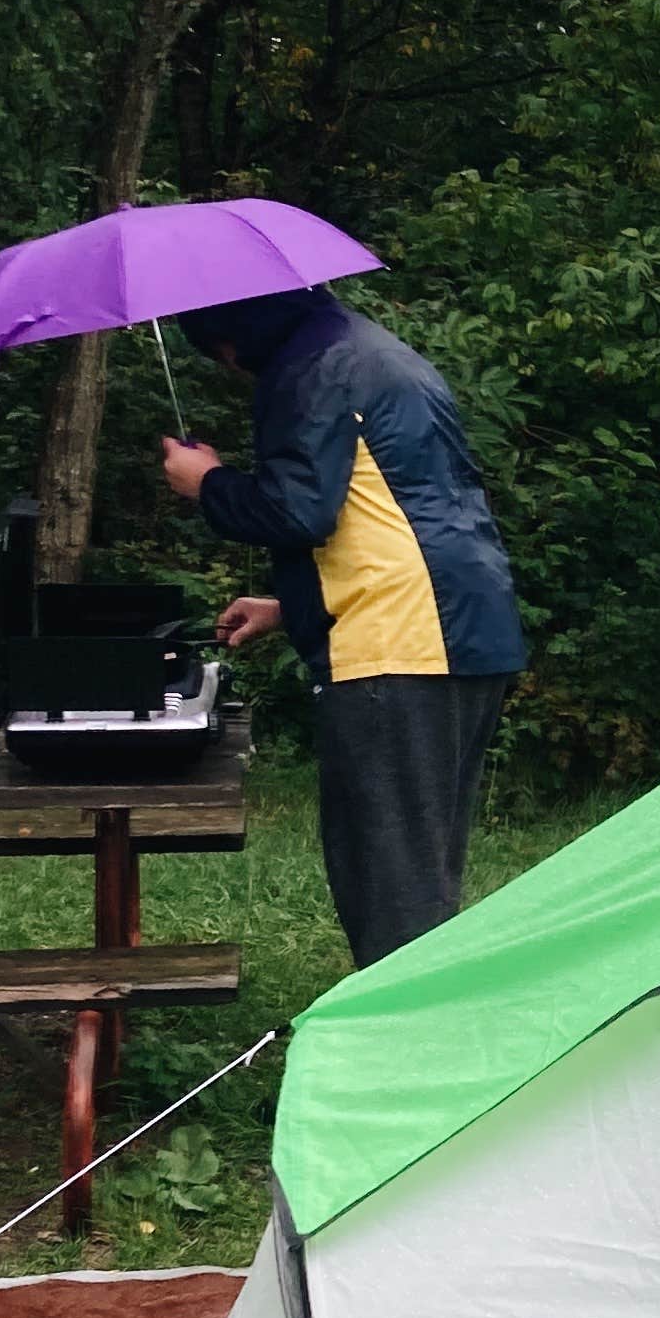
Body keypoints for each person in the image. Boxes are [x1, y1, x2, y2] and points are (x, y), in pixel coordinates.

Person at [158, 286, 524, 972]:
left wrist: (206, 482)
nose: (232, 368)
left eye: (223, 353)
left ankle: (401, 1062)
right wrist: (289, 606)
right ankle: (424, 1043)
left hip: (399, 645)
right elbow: (391, 507)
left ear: (235, 334)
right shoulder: (370, 350)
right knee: (421, 874)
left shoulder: (311, 369)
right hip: (464, 626)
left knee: (390, 889)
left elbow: (297, 511)